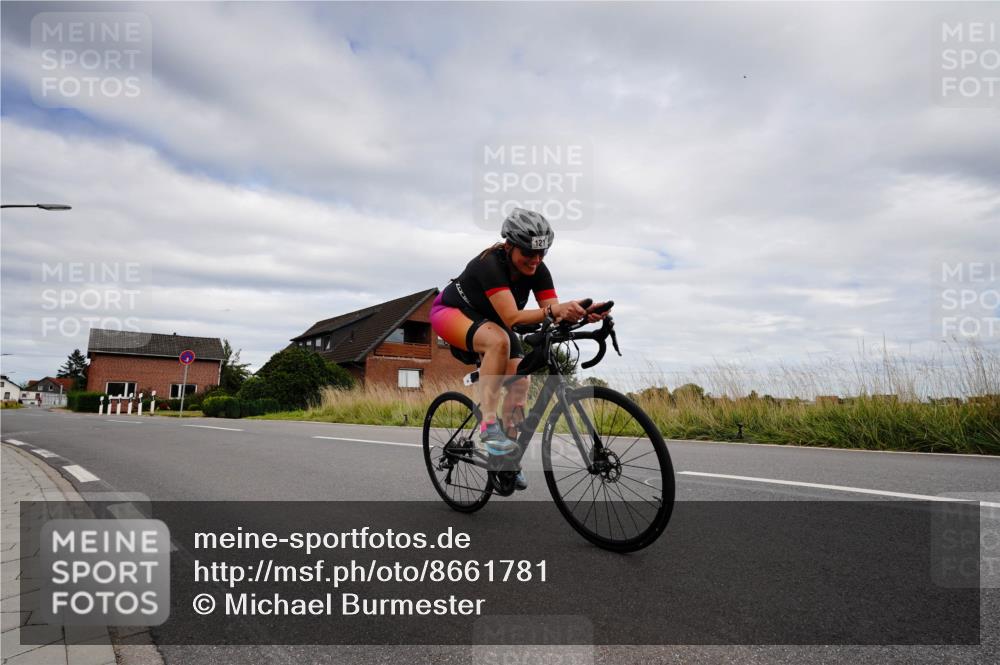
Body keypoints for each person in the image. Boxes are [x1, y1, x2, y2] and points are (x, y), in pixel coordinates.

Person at [429, 208, 609, 490]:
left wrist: (583, 314)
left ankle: (507, 460)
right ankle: (489, 427)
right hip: (451, 313)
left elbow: (551, 313)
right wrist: (555, 311)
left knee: (520, 382)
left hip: (495, 323)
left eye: (542, 254)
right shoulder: (489, 265)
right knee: (498, 341)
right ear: (510, 245)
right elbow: (515, 318)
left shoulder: (538, 269)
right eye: (528, 252)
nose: (535, 260)